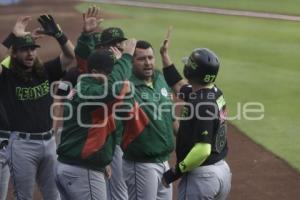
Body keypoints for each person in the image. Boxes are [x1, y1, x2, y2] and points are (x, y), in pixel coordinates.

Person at [54, 6, 129, 200]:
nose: (115, 51)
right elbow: (112, 89)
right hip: (83, 167)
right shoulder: (92, 85)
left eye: (119, 47)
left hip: (94, 151)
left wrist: (101, 158)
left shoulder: (85, 84)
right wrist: (124, 60)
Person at [0, 14, 75, 199]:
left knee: (54, 195)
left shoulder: (45, 72)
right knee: (24, 196)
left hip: (49, 143)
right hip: (21, 145)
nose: (30, 54)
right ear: (14, 53)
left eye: (33, 49)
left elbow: (69, 55)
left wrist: (58, 34)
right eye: (24, 50)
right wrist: (12, 36)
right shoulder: (7, 77)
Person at [160, 29, 232, 200]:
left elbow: (203, 149)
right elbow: (178, 85)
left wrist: (174, 172)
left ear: (191, 72)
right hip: (221, 171)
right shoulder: (213, 92)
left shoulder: (201, 104)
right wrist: (164, 55)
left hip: (202, 177)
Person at [120, 40, 176, 200]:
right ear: (131, 62)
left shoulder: (160, 80)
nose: (148, 63)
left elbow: (171, 117)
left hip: (164, 162)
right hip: (141, 165)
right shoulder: (126, 86)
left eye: (150, 58)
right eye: (141, 59)